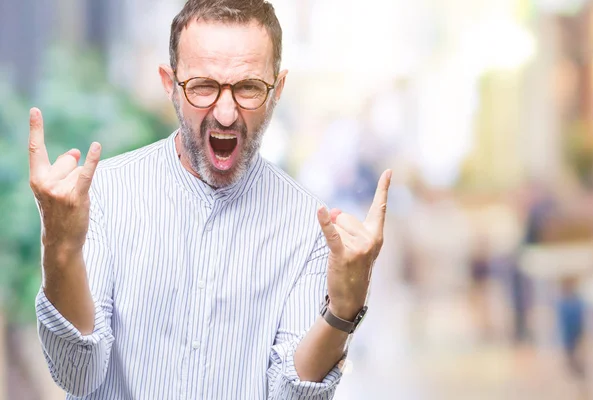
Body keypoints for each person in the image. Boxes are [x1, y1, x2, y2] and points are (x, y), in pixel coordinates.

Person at [29, 1, 392, 399]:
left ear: (277, 89)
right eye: (202, 86)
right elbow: (76, 373)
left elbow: (291, 396)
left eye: (248, 88)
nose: (224, 113)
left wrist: (342, 312)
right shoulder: (103, 196)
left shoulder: (311, 228)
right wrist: (59, 247)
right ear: (170, 84)